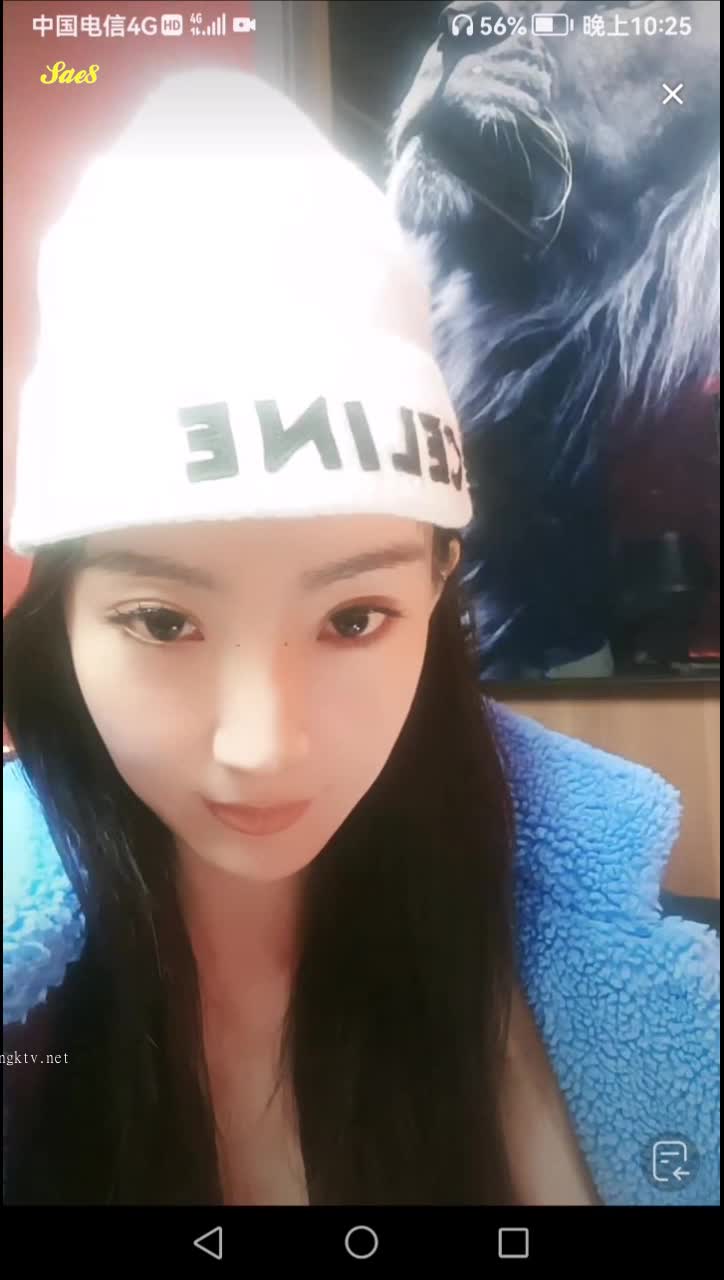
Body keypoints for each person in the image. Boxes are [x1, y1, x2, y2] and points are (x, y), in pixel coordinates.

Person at [2, 69, 719, 1208]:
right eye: (162, 620)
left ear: (436, 590)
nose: (262, 745)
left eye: (352, 618)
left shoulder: (601, 983)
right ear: (64, 617)